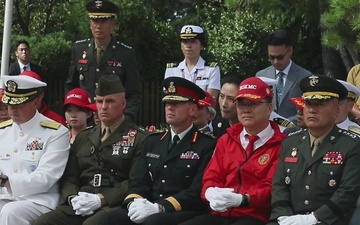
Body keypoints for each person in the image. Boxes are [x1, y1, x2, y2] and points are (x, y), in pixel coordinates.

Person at [98, 77, 217, 225]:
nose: (170, 107)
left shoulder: (206, 144)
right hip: (149, 206)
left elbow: (196, 191)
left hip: (183, 211)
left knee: (155, 221)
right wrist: (134, 203)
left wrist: (161, 207)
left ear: (193, 110)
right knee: (108, 219)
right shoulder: (153, 141)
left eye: (177, 103)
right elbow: (139, 181)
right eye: (167, 103)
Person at [34, 75, 148, 225]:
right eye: (99, 101)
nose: (104, 107)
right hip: (81, 200)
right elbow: (69, 177)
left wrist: (101, 199)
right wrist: (72, 197)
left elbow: (136, 182)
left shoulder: (140, 138)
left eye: (110, 101)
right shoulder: (84, 137)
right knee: (44, 222)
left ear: (123, 104)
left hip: (113, 204)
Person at [179, 77, 286, 225]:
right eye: (241, 104)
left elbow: (272, 188)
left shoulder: (282, 144)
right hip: (220, 212)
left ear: (269, 109)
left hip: (255, 215)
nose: (246, 109)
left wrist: (242, 199)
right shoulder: (226, 139)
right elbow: (211, 175)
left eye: (253, 104)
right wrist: (210, 192)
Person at [268, 75, 360, 225]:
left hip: (329, 221)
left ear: (336, 111)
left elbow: (348, 192)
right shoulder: (291, 142)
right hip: (289, 220)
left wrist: (315, 218)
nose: (311, 109)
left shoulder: (351, 144)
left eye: (320, 104)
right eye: (308, 103)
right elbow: (279, 186)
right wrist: (283, 216)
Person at [0, 75, 70, 225]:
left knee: (10, 212)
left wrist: (6, 182)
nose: (12, 109)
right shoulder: (2, 131)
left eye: (18, 104)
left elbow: (46, 178)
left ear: (36, 102)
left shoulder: (56, 133)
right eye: (9, 104)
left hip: (39, 200)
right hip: (4, 196)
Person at [65, 0, 141, 122]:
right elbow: (71, 87)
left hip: (114, 120)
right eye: (95, 21)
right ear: (90, 23)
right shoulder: (79, 49)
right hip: (85, 121)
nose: (98, 26)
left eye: (104, 21)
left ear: (112, 24)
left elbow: (133, 93)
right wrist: (75, 112)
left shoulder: (125, 53)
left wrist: (126, 118)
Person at [256, 29, 312, 122]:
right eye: (271, 57)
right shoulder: (261, 76)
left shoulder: (305, 77)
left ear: (290, 51)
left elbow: (307, 109)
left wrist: (284, 124)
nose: (276, 62)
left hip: (294, 131)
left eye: (280, 57)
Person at [164, 24, 221, 99]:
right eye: (185, 41)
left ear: (202, 46)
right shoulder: (172, 70)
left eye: (193, 41)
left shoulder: (212, 69)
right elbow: (169, 98)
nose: (188, 46)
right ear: (181, 46)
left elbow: (210, 100)